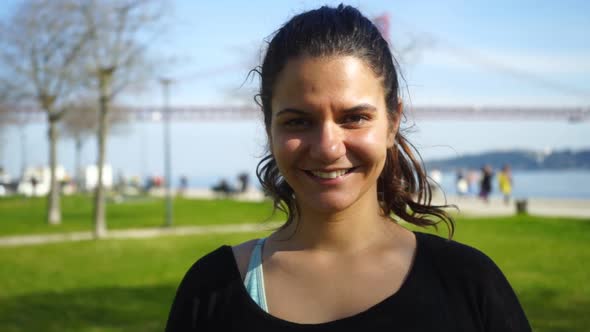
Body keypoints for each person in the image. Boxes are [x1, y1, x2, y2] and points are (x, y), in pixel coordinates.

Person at [166, 5, 531, 331]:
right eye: (298, 121)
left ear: (392, 123)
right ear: (269, 127)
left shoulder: (469, 285)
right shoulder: (212, 290)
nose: (327, 148)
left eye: (354, 117)